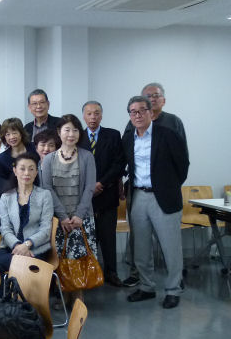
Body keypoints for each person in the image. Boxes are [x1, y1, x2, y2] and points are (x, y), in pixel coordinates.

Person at [122, 96, 189, 309]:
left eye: (142, 110)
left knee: (171, 248)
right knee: (141, 247)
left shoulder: (168, 134)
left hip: (164, 197)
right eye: (133, 111)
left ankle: (173, 289)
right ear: (130, 116)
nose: (138, 115)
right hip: (138, 196)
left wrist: (168, 186)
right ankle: (146, 287)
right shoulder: (128, 138)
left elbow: (182, 165)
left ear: (151, 112)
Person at [41, 114, 97, 302]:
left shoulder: (87, 156)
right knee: (62, 259)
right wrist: (63, 217)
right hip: (59, 220)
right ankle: (64, 295)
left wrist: (79, 215)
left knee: (79, 259)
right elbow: (47, 188)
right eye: (67, 130)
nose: (71, 134)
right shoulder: (48, 159)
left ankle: (79, 297)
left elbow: (90, 187)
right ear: (59, 132)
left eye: (75, 130)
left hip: (82, 218)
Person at [78, 101, 125, 287]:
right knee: (87, 239)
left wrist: (101, 183)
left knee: (108, 237)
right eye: (89, 114)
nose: (93, 117)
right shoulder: (78, 137)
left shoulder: (113, 135)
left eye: (96, 113)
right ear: (83, 116)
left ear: (102, 115)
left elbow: (119, 163)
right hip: (85, 198)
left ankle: (111, 273)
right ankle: (89, 275)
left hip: (107, 193)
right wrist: (90, 186)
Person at [0, 153, 54, 273]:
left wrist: (27, 245)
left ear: (36, 172)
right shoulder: (6, 197)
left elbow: (45, 229)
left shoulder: (45, 195)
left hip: (35, 248)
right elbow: (5, 228)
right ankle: (8, 286)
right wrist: (17, 245)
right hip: (11, 247)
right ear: (15, 171)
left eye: (31, 169)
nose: (27, 173)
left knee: (21, 264)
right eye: (22, 169)